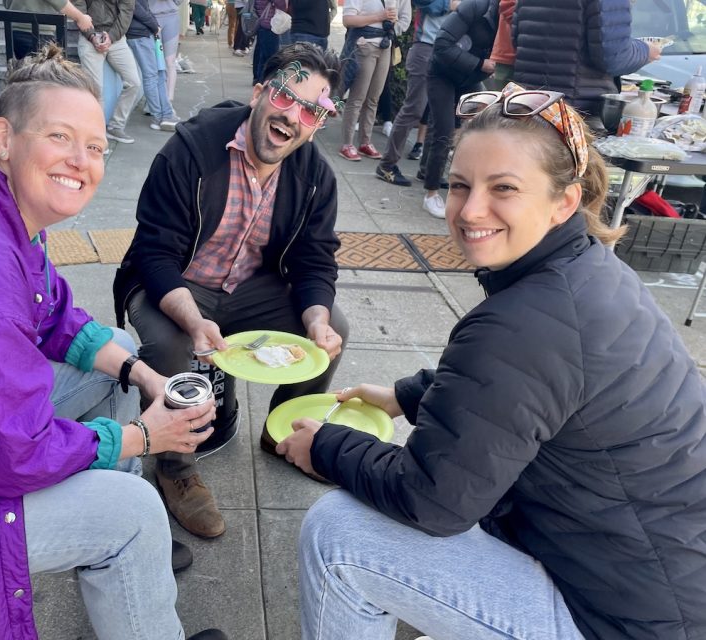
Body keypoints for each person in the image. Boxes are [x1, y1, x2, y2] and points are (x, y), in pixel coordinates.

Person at [279, 83, 706, 640]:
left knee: (338, 534)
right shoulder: (590, 271)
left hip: (617, 619)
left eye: (503, 188)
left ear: (564, 201)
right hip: (663, 578)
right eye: (460, 185)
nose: (471, 209)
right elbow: (519, 391)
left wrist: (326, 447)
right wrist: (404, 396)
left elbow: (432, 500)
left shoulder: (522, 322)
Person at [0, 45, 227, 640]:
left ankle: (117, 558)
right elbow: (9, 454)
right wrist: (145, 437)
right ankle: (125, 540)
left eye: (97, 146)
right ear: (5, 137)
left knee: (113, 370)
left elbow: (56, 314)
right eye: (59, 136)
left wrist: (142, 373)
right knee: (133, 514)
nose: (81, 160)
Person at [113, 42, 350, 539]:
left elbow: (314, 260)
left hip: (250, 287)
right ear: (260, 92)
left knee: (332, 327)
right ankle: (175, 467)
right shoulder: (192, 150)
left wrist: (316, 322)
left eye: (312, 110)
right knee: (172, 345)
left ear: (318, 123)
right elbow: (154, 254)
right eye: (286, 96)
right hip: (176, 282)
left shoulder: (313, 177)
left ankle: (284, 435)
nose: (293, 117)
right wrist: (194, 320)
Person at [511, 0, 661, 123]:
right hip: (575, 112)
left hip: (526, 105)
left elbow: (517, 41)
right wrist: (646, 51)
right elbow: (614, 58)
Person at [417, 0, 496, 218]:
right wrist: (480, 64)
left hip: (470, 77)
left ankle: (435, 174)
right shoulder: (475, 8)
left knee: (479, 128)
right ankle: (431, 194)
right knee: (444, 131)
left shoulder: (513, 19)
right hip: (441, 74)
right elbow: (442, 45)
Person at [375, 0, 454, 185]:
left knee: (438, 113)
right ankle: (387, 165)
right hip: (425, 48)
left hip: (446, 51)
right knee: (414, 109)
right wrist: (449, 5)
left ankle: (429, 170)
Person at [337, 0, 411, 161]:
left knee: (374, 98)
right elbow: (348, 19)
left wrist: (390, 30)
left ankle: (365, 142)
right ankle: (346, 144)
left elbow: (405, 18)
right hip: (364, 45)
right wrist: (380, 16)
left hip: (385, 46)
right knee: (357, 97)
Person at [74, 0, 143, 145]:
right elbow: (79, 8)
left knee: (134, 82)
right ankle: (96, 135)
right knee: (95, 90)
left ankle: (116, 126)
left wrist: (110, 37)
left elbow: (126, 12)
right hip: (89, 37)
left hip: (116, 39)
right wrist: (92, 36)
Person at [127, 0, 180, 130]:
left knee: (160, 73)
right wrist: (154, 25)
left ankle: (166, 114)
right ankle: (157, 118)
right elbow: (136, 8)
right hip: (139, 33)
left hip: (148, 31)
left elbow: (144, 8)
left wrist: (154, 26)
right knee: (151, 75)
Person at [5, 0, 94, 59]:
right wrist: (80, 18)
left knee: (28, 77)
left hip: (16, 28)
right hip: (37, 30)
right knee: (43, 79)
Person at [150, 0, 183, 99]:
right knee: (153, 62)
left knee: (170, 62)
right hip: (151, 18)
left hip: (171, 17)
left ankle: (168, 101)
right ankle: (153, 100)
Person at [251, 0, 290, 84]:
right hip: (269, 25)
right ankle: (264, 81)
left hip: (262, 23)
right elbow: (282, 5)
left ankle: (258, 78)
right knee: (270, 57)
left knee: (261, 54)